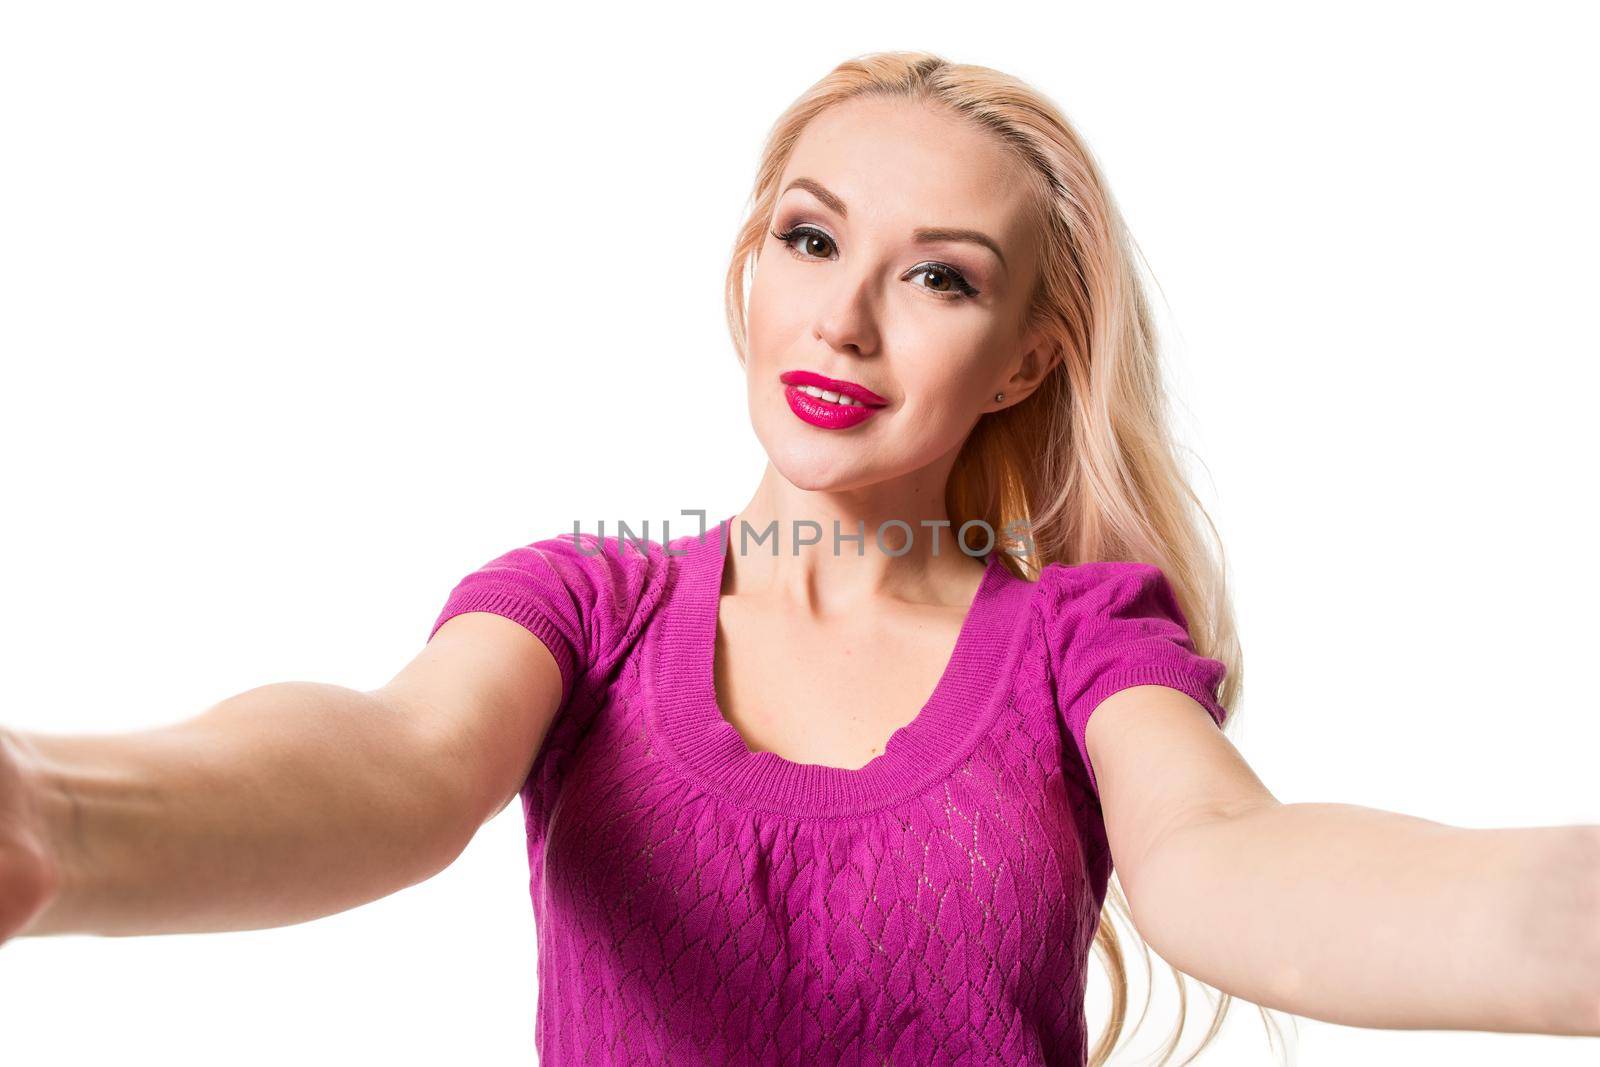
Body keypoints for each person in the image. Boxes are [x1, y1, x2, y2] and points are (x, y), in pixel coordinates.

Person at [2, 50, 1596, 1066]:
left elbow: (1227, 867)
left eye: (942, 280)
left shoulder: (1081, 644)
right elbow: (395, 763)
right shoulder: (593, 602)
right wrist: (51, 818)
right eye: (813, 240)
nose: (842, 319)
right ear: (753, 263)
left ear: (1030, 361)